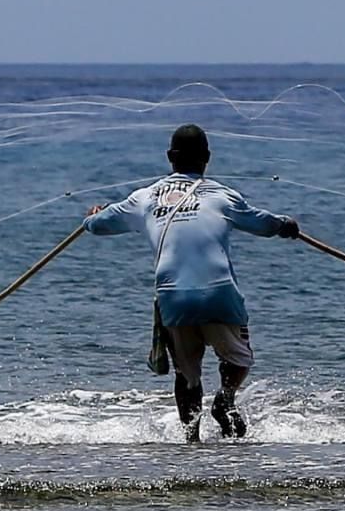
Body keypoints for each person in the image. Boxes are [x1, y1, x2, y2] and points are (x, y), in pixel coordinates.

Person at [84, 124, 299, 441]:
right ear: (207, 158)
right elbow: (264, 224)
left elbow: (98, 225)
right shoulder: (223, 195)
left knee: (186, 375)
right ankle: (225, 398)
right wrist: (286, 225)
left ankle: (190, 442)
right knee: (238, 359)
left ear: (170, 157)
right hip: (219, 293)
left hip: (173, 297)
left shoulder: (143, 198)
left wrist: (93, 216)